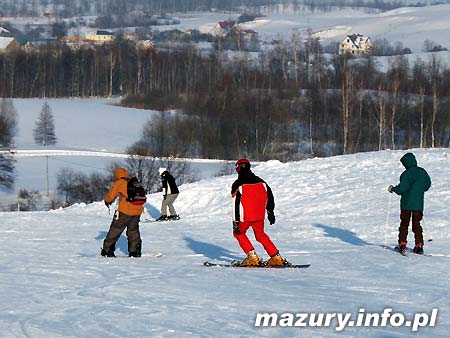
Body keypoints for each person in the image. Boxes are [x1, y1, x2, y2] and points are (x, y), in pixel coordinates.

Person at [231, 158, 286, 267]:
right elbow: (270, 196)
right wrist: (270, 212)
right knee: (260, 235)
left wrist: (236, 221)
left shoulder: (238, 184)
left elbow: (236, 204)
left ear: (238, 168)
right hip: (259, 216)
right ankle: (276, 256)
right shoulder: (261, 182)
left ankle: (252, 257)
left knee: (238, 233)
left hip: (245, 217)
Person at [388, 152, 431, 255]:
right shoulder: (422, 172)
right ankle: (419, 245)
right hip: (418, 204)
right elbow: (427, 185)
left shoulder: (406, 174)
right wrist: (418, 190)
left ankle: (402, 244)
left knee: (404, 224)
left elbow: (402, 188)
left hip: (406, 204)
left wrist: (393, 189)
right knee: (417, 224)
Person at [101, 168, 144, 257]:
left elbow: (111, 195)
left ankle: (107, 249)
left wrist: (107, 201)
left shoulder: (120, 182)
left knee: (116, 228)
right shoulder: (134, 182)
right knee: (133, 230)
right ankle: (135, 250)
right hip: (138, 210)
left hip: (125, 210)